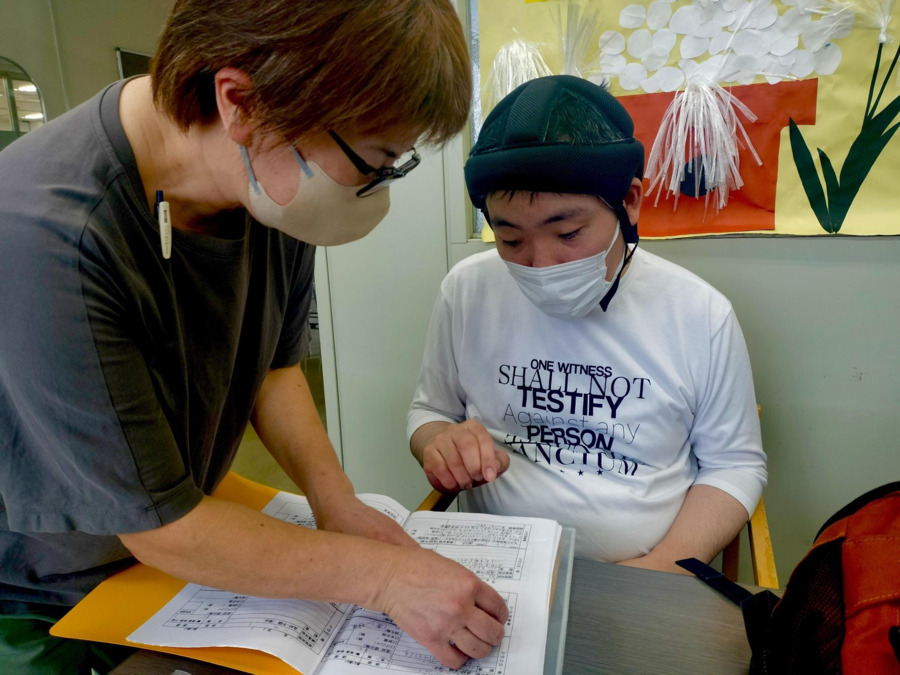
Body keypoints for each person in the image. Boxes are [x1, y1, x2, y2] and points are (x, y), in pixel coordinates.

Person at [0, 1, 508, 672]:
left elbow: (274, 368)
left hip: (172, 542)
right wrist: (383, 577)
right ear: (242, 103)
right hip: (40, 594)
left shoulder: (265, 181)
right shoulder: (50, 236)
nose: (376, 189)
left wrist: (336, 500)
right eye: (375, 162)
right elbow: (162, 526)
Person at [407, 75, 768, 573]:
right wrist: (437, 442)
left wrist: (661, 569)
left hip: (643, 572)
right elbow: (431, 410)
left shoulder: (698, 314)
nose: (540, 264)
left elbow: (734, 465)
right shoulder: (467, 290)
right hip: (494, 566)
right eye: (511, 240)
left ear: (630, 201)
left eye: (568, 233)